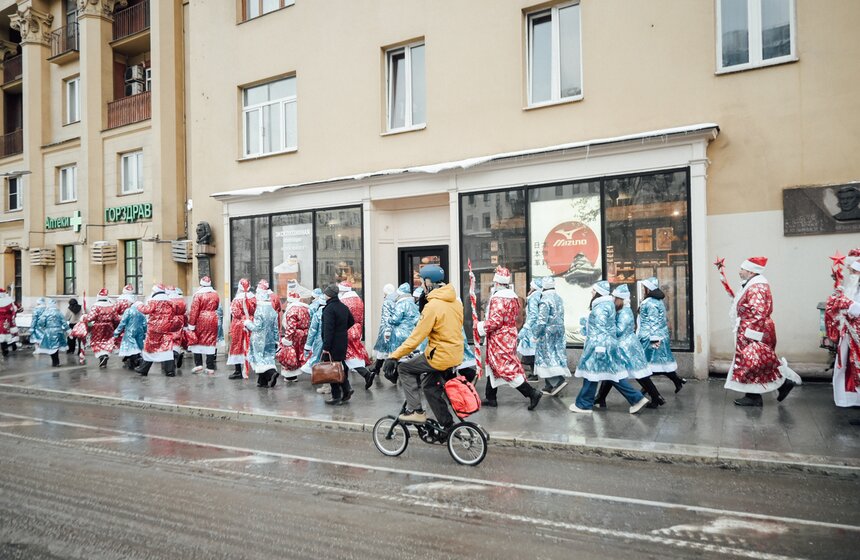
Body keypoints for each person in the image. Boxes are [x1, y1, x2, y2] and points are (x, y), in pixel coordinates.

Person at [383, 264, 465, 427]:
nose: (421, 286)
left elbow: (416, 337)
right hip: (454, 354)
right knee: (429, 387)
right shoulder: (455, 302)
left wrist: (394, 356)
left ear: (429, 282)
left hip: (439, 356)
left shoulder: (433, 306)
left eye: (421, 283)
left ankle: (415, 411)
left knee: (404, 368)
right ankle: (446, 424)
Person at [724, 257, 800, 406]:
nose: (740, 272)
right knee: (755, 362)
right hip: (752, 329)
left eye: (742, 269)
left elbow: (757, 312)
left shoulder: (757, 287)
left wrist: (749, 333)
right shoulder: (753, 285)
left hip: (753, 330)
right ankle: (758, 394)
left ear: (751, 271)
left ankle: (766, 391)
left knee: (752, 362)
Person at [570, 281, 649, 414]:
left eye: (593, 290)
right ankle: (636, 399)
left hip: (599, 346)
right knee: (610, 375)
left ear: (598, 292)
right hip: (607, 345)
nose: (591, 292)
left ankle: (584, 404)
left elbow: (600, 329)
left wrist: (598, 347)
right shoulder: (608, 305)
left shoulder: (601, 307)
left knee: (592, 373)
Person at [478, 266, 542, 411]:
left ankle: (532, 393)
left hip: (499, 338)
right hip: (507, 336)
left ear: (497, 282)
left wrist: (480, 326)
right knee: (494, 365)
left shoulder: (498, 298)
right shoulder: (513, 296)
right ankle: (491, 397)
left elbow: (495, 322)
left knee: (505, 368)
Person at [595, 284, 664, 408]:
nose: (612, 300)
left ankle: (656, 396)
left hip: (626, 348)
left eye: (614, 297)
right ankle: (600, 398)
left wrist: (607, 327)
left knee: (638, 375)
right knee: (615, 372)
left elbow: (619, 331)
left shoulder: (624, 312)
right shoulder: (623, 310)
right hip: (627, 346)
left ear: (619, 299)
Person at [824, 249, 860, 407]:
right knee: (847, 367)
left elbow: (855, 309)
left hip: (856, 333)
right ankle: (851, 400)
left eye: (853, 271)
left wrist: (847, 304)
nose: (850, 273)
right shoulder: (853, 286)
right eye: (850, 270)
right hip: (849, 333)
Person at [637, 277, 685, 393]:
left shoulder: (650, 303)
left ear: (648, 289)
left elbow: (653, 322)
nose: (643, 289)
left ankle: (648, 388)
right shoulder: (657, 302)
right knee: (659, 362)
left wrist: (654, 339)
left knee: (647, 364)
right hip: (657, 337)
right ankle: (676, 380)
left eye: (645, 288)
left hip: (651, 338)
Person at [532, 277, 571, 396]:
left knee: (546, 357)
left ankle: (558, 381)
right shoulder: (558, 298)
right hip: (559, 330)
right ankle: (548, 385)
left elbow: (542, 320)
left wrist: (536, 334)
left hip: (547, 332)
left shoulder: (544, 299)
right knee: (555, 354)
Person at [137, 284, 184, 377]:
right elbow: (175, 311)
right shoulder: (170, 301)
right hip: (167, 327)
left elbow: (146, 310)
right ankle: (170, 370)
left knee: (150, 348)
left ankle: (144, 369)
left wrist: (139, 304)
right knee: (167, 347)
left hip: (154, 328)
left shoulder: (153, 301)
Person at [321, 283, 355, 405]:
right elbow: (352, 321)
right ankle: (346, 390)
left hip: (332, 344)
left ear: (328, 295)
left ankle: (337, 396)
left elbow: (328, 330)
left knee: (332, 369)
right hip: (342, 341)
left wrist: (326, 347)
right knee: (340, 366)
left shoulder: (329, 309)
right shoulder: (343, 307)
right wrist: (341, 330)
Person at [339, 281, 375, 389]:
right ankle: (344, 381)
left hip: (347, 330)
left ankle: (365, 374)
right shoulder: (359, 300)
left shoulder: (343, 301)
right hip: (357, 329)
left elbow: (343, 317)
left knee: (348, 354)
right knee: (351, 353)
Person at [244, 288, 280, 388]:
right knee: (267, 358)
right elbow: (276, 327)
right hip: (270, 338)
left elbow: (257, 327)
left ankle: (271, 374)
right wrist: (277, 340)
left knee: (260, 359)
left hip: (259, 339)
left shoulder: (259, 311)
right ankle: (262, 381)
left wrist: (247, 323)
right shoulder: (273, 311)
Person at [188, 276, 220, 375]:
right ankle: (210, 367)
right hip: (213, 318)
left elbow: (194, 311)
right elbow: (217, 306)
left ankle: (198, 364)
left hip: (201, 319)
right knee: (210, 341)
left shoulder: (198, 295)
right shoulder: (215, 294)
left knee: (196, 340)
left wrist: (191, 325)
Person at [80, 288, 119, 368]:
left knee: (97, 342)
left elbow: (90, 317)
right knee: (107, 342)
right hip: (109, 327)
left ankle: (102, 357)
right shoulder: (112, 306)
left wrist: (84, 317)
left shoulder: (96, 306)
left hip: (98, 327)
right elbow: (116, 318)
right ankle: (105, 356)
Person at [278, 291, 311, 381]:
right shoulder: (305, 308)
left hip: (294, 336)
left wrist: (287, 338)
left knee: (291, 355)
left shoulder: (292, 310)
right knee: (301, 353)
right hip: (304, 334)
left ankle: (291, 375)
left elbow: (291, 326)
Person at [301, 289, 330, 394]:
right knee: (329, 360)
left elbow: (313, 330)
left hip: (319, 339)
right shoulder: (332, 311)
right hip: (331, 340)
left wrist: (308, 345)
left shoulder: (317, 313)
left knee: (317, 358)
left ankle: (322, 379)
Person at [227, 279, 256, 379]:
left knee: (237, 345)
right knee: (250, 345)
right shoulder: (253, 298)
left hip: (239, 325)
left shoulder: (236, 300)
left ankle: (238, 370)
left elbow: (235, 313)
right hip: (251, 323)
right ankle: (256, 368)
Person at [32, 299, 69, 367]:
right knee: (56, 347)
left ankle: (54, 361)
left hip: (49, 332)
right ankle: (56, 361)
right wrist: (68, 330)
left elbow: (40, 322)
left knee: (51, 347)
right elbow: (64, 322)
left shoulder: (46, 313)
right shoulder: (58, 312)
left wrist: (45, 326)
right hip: (58, 331)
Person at [517, 279, 542, 380]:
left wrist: (526, 327)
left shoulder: (534, 297)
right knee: (532, 352)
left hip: (531, 329)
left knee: (530, 352)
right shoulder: (540, 295)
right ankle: (533, 373)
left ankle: (534, 374)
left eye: (531, 286)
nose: (530, 288)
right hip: (534, 328)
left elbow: (533, 315)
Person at [370, 283, 398, 375]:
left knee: (383, 349)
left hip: (386, 327)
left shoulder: (387, 302)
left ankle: (379, 368)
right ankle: (378, 367)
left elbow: (386, 317)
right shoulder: (396, 300)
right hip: (394, 327)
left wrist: (386, 329)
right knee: (387, 350)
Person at [114, 301, 147, 370]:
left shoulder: (128, 311)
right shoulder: (142, 313)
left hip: (130, 331)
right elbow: (145, 324)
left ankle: (134, 361)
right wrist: (145, 332)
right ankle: (138, 359)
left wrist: (117, 331)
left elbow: (123, 322)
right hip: (140, 331)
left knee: (131, 346)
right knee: (138, 345)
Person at [168, 287, 188, 368]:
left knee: (169, 338)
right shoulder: (181, 300)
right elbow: (185, 312)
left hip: (170, 319)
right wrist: (186, 323)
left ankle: (173, 356)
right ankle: (177, 352)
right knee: (177, 337)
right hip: (180, 319)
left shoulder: (168, 300)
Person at [0, 287, 18, 357]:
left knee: (2, 335)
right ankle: (9, 346)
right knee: (7, 334)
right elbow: (13, 310)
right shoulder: (9, 302)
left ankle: (4, 349)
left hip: (2, 321)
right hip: (7, 321)